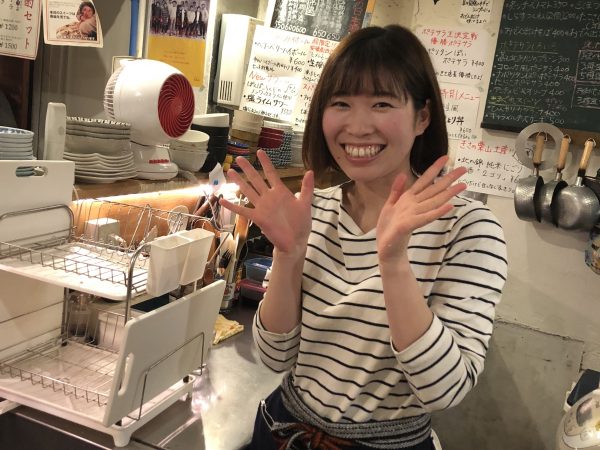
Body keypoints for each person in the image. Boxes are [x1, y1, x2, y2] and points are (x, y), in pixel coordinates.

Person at [220, 25, 507, 449]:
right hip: (284, 431)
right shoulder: (309, 211)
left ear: (422, 117)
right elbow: (274, 357)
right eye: (341, 103)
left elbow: (445, 390)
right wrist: (289, 253)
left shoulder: (469, 228)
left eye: (381, 103)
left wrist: (393, 262)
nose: (357, 126)